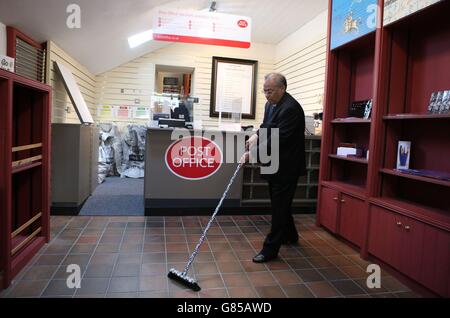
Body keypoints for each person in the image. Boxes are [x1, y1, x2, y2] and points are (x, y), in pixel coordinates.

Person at [241, 73, 306, 263]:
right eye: (265, 91)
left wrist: (251, 155)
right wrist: (256, 135)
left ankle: (270, 249)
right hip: (273, 163)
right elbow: (268, 126)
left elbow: (279, 139)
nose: (267, 95)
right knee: (280, 203)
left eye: (270, 91)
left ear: (282, 88)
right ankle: (291, 235)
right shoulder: (270, 104)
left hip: (287, 166)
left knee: (278, 207)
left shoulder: (291, 108)